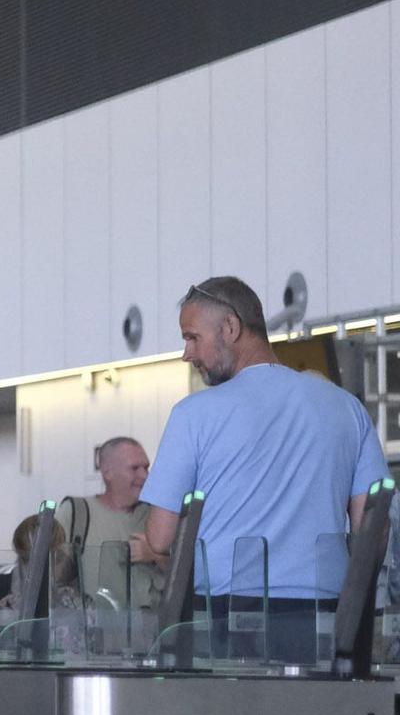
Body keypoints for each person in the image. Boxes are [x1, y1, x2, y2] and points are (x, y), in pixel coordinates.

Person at [142, 276, 388, 652]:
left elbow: (159, 537)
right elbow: (373, 529)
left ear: (230, 327)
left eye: (192, 338)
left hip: (228, 615)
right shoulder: (346, 408)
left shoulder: (193, 414)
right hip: (327, 613)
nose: (186, 354)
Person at [59, 436, 163, 610]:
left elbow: (186, 573)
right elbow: (49, 572)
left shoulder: (158, 515)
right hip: (94, 630)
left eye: (146, 467)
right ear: (107, 472)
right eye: (134, 468)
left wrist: (155, 555)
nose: (144, 476)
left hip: (151, 629)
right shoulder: (76, 513)